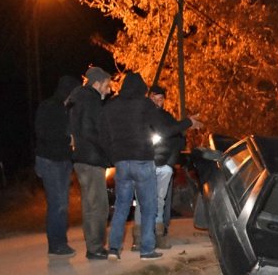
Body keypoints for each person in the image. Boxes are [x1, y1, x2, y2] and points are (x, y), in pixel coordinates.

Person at [100, 72, 201, 261]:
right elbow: (165, 129)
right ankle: (147, 249)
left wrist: (112, 157)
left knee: (122, 205)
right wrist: (188, 122)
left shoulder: (111, 106)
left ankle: (113, 249)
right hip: (143, 161)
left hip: (121, 163)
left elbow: (103, 135)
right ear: (141, 89)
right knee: (149, 205)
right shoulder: (144, 105)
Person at [131, 85, 193, 252]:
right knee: (142, 201)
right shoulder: (140, 115)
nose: (158, 102)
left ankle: (158, 236)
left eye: (161, 99)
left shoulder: (166, 116)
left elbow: (179, 139)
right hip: (143, 163)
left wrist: (169, 164)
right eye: (155, 98)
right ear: (148, 98)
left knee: (159, 201)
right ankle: (138, 238)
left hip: (163, 166)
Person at [68, 66, 112, 260]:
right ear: (97, 83)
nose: (109, 90)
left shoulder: (76, 99)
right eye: (107, 85)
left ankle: (93, 245)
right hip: (92, 158)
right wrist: (106, 151)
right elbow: (91, 130)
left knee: (89, 204)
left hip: (80, 158)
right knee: (99, 205)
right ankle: (95, 248)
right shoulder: (91, 100)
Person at [34, 75, 80, 257]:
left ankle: (59, 242)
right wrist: (68, 139)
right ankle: (56, 244)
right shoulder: (49, 107)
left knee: (62, 203)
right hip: (51, 161)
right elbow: (44, 133)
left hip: (62, 161)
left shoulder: (64, 109)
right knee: (57, 203)